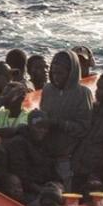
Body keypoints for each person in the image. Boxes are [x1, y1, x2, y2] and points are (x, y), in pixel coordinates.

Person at [38, 49, 93, 184]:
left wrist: (58, 123)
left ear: (71, 72)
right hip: (46, 154)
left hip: (69, 157)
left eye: (60, 73)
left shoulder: (83, 93)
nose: (56, 77)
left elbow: (84, 128)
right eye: (54, 73)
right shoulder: (47, 90)